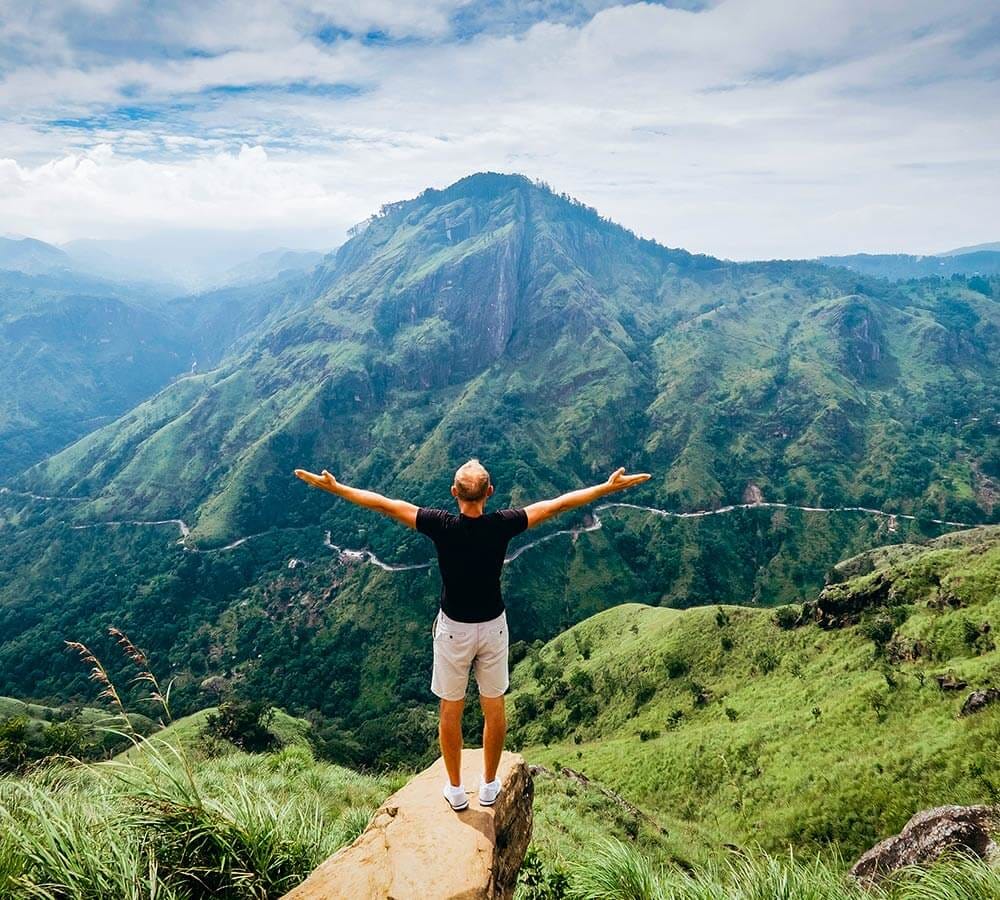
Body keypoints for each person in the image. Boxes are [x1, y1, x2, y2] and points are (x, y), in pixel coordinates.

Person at [294, 459, 650, 811]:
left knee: (451, 710)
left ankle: (455, 788)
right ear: (490, 493)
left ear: (454, 493)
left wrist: (337, 488)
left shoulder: (440, 525)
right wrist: (606, 487)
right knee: (493, 708)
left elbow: (384, 504)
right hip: (493, 628)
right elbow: (558, 504)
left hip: (453, 631)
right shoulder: (503, 525)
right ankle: (489, 784)